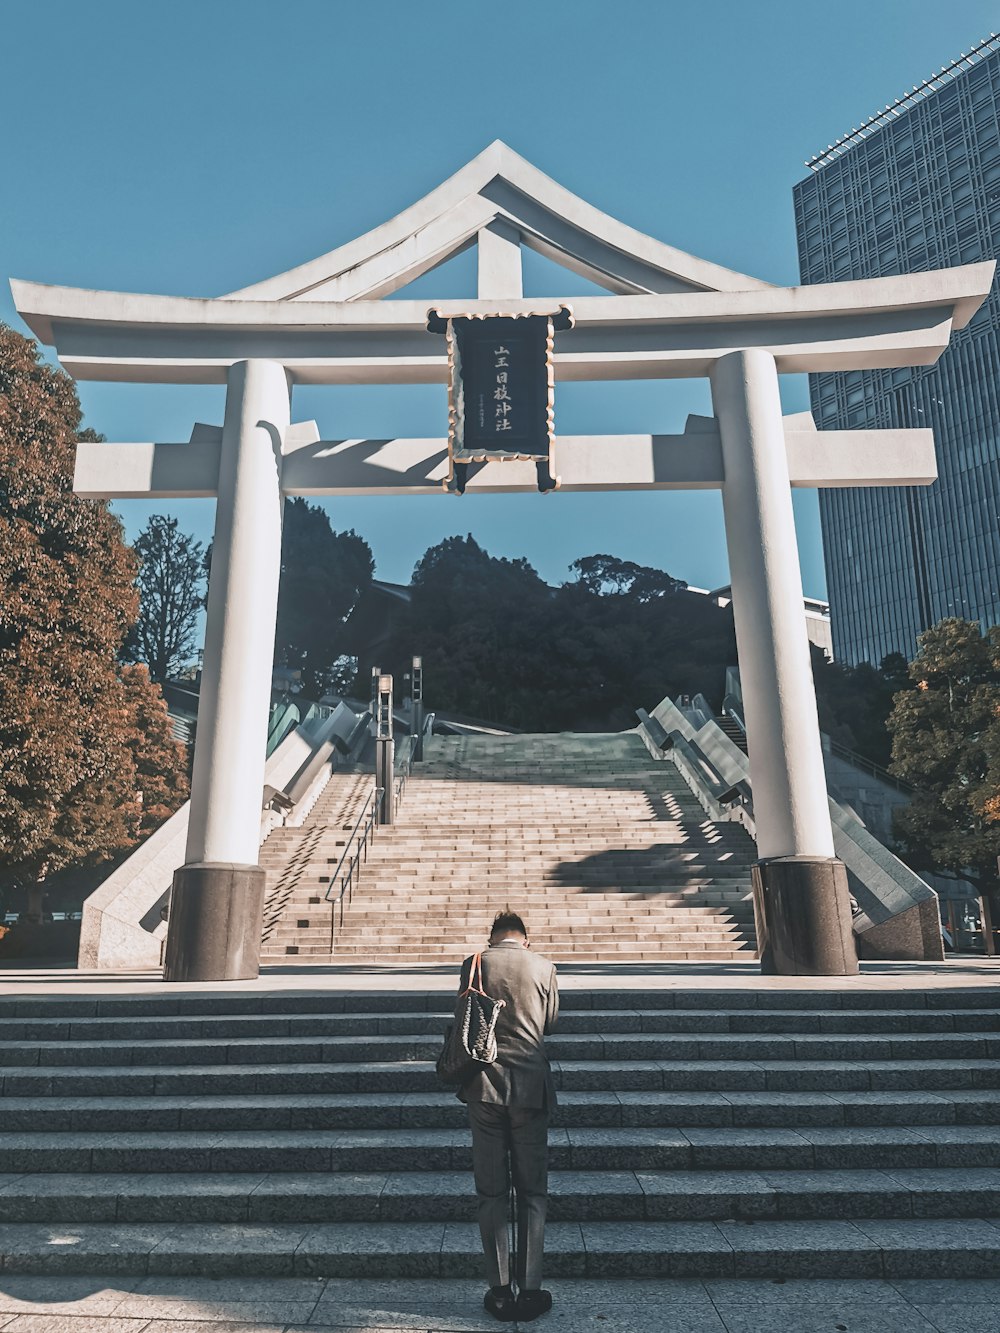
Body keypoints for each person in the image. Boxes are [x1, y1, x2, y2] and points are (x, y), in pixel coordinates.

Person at [456, 910, 559, 1323]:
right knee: (533, 1192)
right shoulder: (545, 967)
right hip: (531, 1088)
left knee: (492, 1190)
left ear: (493, 938)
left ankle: (499, 1291)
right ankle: (530, 1290)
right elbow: (550, 1024)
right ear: (525, 939)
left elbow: (464, 1021)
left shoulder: (475, 963)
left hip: (483, 1085)